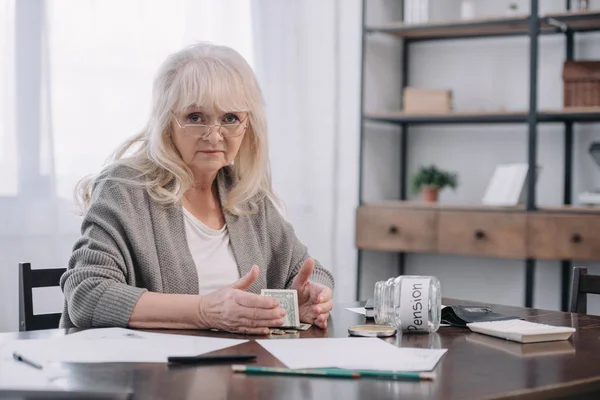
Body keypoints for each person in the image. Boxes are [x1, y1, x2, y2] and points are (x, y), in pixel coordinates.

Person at [59, 42, 334, 335]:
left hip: (237, 371)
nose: (214, 135)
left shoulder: (245, 196)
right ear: (167, 123)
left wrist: (309, 298)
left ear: (247, 126)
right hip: (148, 375)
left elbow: (309, 271)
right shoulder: (123, 188)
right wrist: (206, 311)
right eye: (195, 118)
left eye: (230, 118)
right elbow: (87, 293)